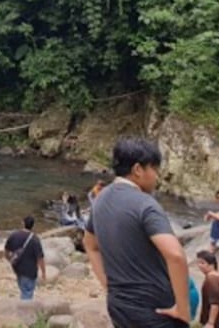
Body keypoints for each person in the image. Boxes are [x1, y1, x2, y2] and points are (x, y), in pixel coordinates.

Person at [84, 137, 190, 327]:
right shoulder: (145, 204)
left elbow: (90, 246)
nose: (157, 176)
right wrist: (182, 309)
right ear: (138, 170)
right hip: (155, 310)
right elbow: (175, 255)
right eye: (154, 169)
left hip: (119, 307)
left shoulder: (99, 201)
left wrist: (109, 286)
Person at [3, 216, 46, 301]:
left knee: (23, 289)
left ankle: (23, 307)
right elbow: (40, 258)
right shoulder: (35, 239)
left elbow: (6, 251)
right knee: (28, 292)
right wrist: (43, 272)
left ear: (23, 223)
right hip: (30, 270)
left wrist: (10, 260)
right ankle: (24, 312)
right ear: (33, 226)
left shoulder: (14, 235)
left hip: (18, 268)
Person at [196, 250, 219, 328]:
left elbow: (215, 303)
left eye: (202, 263)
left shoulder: (211, 279)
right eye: (198, 263)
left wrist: (210, 323)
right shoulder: (217, 276)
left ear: (211, 264)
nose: (199, 266)